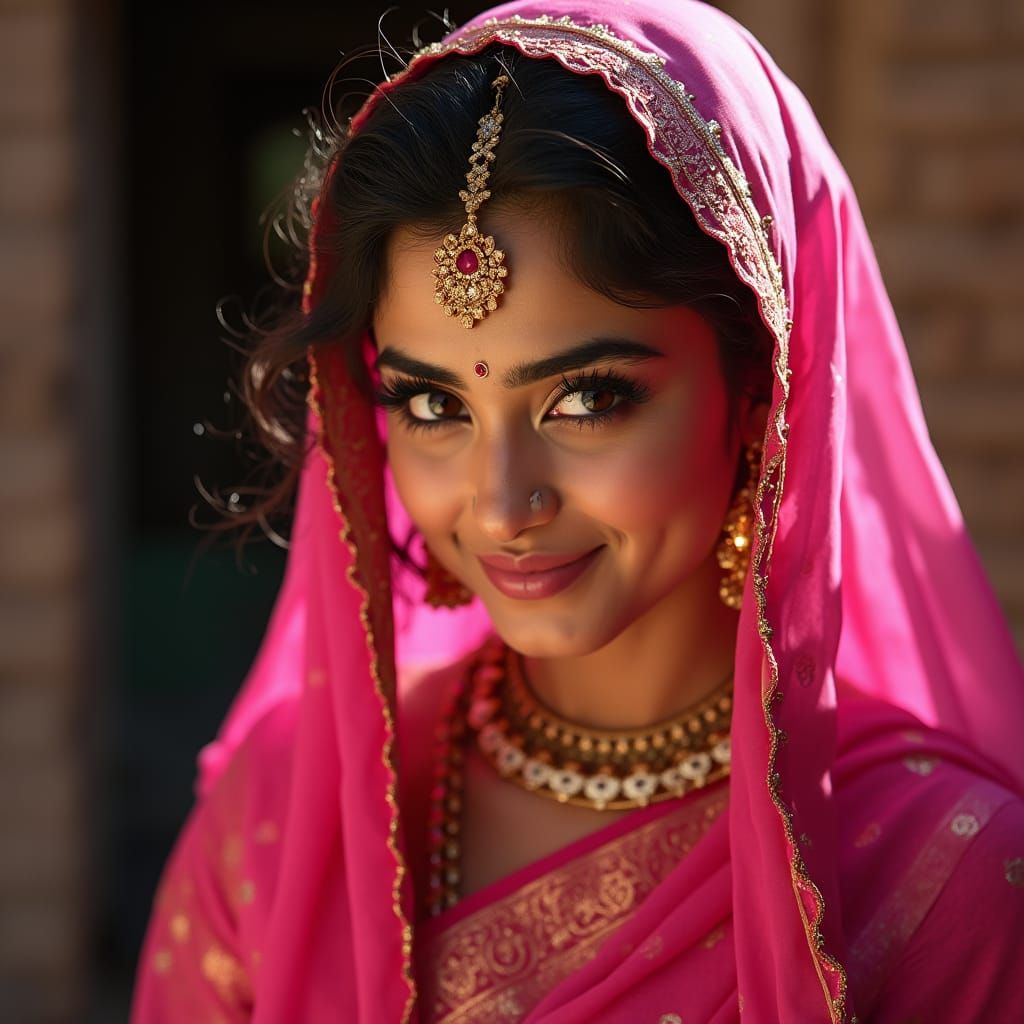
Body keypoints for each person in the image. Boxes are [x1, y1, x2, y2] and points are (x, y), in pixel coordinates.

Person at [130, 1, 1024, 1021]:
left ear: (757, 394)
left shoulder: (932, 877)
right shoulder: (286, 810)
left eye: (589, 398)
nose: (503, 502)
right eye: (433, 405)